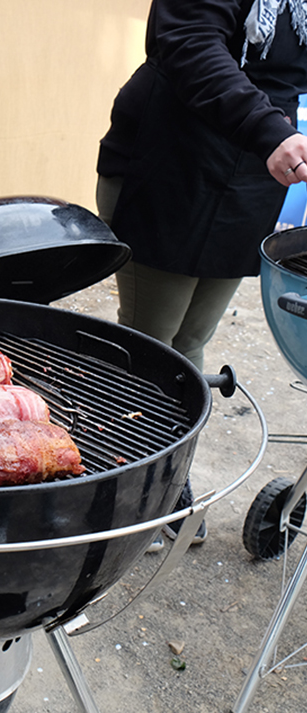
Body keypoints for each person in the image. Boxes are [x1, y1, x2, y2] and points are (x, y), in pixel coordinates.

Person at [95, 0, 307, 550]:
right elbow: (191, 43)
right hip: (170, 158)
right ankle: (122, 486)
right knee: (148, 341)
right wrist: (268, 129)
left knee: (192, 338)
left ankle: (165, 474)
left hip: (254, 173)